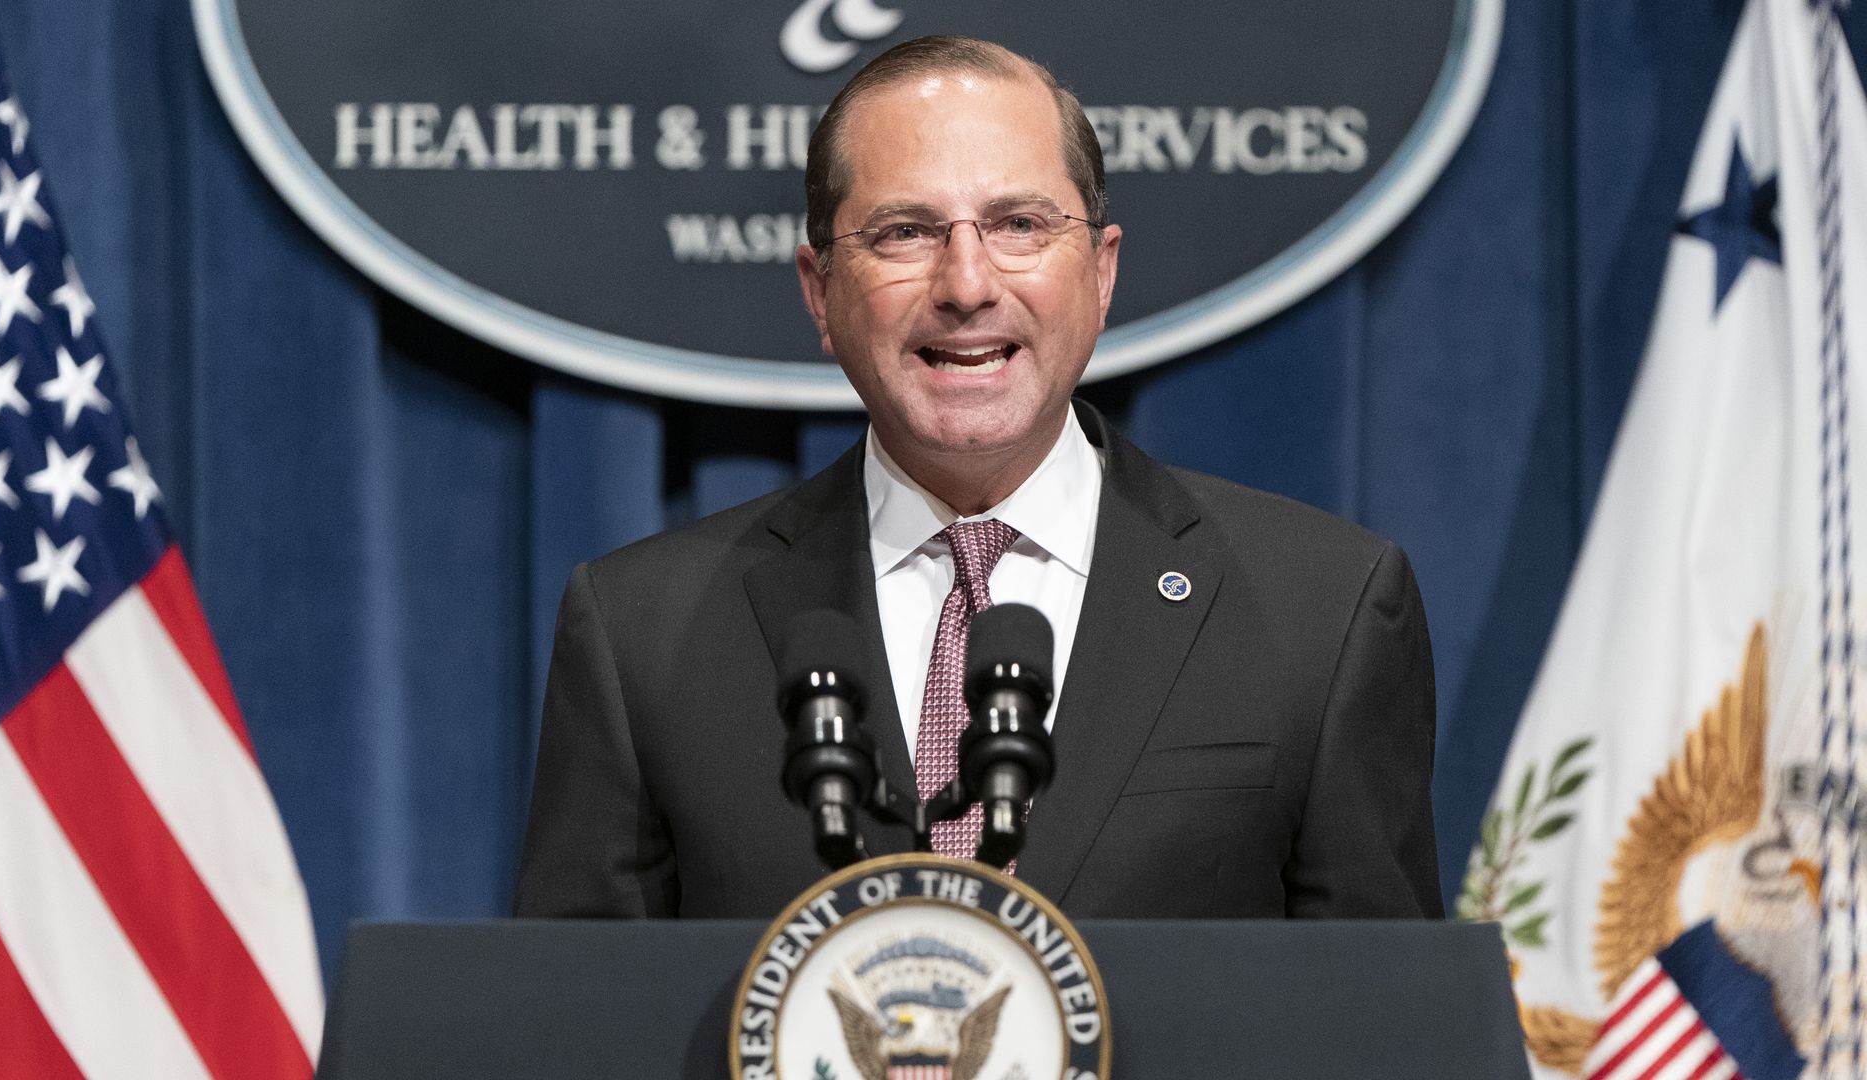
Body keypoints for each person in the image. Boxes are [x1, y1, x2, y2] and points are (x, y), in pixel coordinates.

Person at [515, 36, 1442, 920]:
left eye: (1019, 225)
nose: (966, 284)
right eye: (905, 233)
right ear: (819, 291)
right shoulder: (641, 632)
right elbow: (577, 1023)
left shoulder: (1325, 612)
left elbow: (1386, 1025)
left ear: (1102, 271)